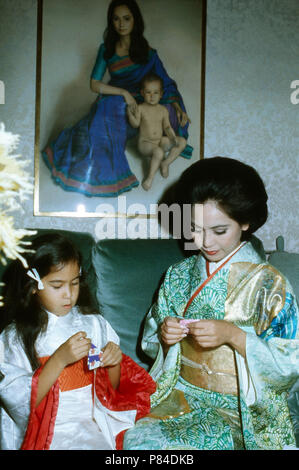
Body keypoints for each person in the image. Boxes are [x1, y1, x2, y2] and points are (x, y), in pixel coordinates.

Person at [123, 156, 299, 450]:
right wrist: (166, 338)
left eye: (219, 231)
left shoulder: (269, 284)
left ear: (245, 221)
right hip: (182, 396)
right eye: (194, 228)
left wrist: (235, 336)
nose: (204, 241)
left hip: (241, 411)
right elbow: (150, 342)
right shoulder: (178, 276)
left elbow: (290, 360)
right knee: (137, 441)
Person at [0, 233, 155, 450]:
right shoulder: (15, 337)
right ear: (33, 285)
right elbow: (19, 404)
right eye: (57, 285)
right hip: (45, 430)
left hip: (92, 423)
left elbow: (111, 388)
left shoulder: (94, 324)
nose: (68, 295)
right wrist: (59, 360)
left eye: (74, 283)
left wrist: (113, 363)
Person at [42, 0, 192, 198]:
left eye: (127, 18)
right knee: (110, 107)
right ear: (111, 22)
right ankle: (109, 166)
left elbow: (165, 82)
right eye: (116, 19)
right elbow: (94, 84)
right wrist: (124, 93)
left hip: (147, 98)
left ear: (135, 21)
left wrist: (178, 107)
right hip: (120, 99)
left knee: (169, 112)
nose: (121, 24)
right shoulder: (107, 50)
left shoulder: (148, 52)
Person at [127, 73, 187, 191]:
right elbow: (135, 124)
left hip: (159, 141)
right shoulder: (141, 108)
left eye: (155, 93)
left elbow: (167, 127)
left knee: (182, 142)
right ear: (142, 93)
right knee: (159, 152)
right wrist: (130, 114)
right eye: (148, 92)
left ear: (161, 94)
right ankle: (149, 178)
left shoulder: (163, 110)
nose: (152, 96)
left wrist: (173, 137)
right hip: (145, 143)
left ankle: (165, 163)